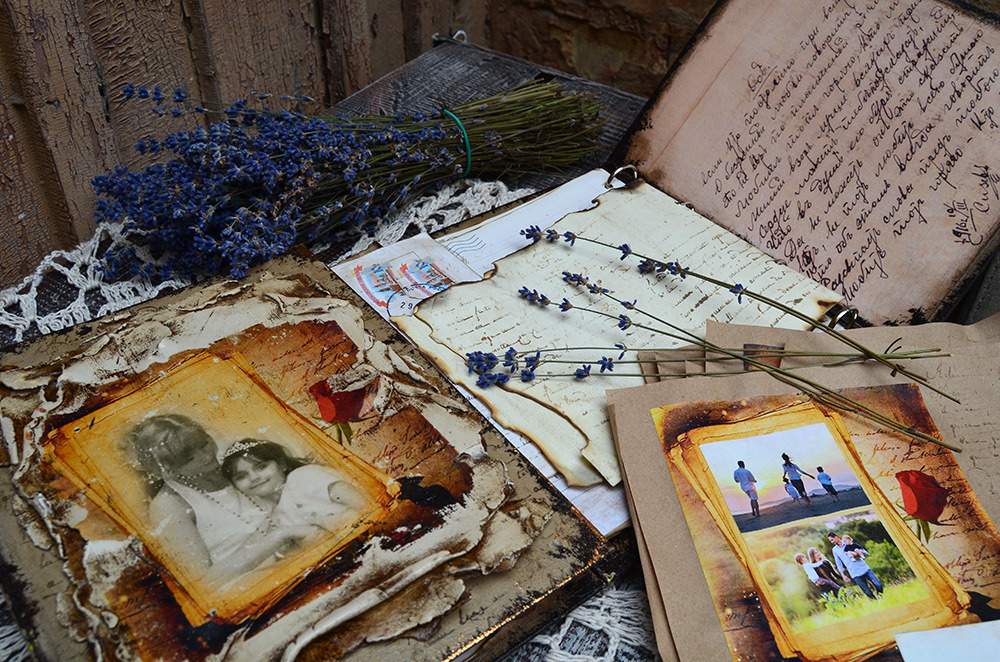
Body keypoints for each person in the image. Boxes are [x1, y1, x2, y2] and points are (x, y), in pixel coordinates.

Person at [127, 414, 313, 582]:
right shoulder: (169, 505)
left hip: (304, 550)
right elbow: (202, 584)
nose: (206, 457)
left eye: (204, 444)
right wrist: (279, 536)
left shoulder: (233, 462)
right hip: (258, 582)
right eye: (189, 458)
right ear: (168, 470)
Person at [220, 438, 369, 537]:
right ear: (236, 486)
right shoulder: (275, 515)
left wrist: (372, 514)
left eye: (261, 467)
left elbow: (344, 491)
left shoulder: (300, 478)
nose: (254, 478)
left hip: (367, 526)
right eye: (241, 476)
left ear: (282, 464)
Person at [828, 531, 884, 598]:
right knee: (867, 592)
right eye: (830, 541)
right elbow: (838, 563)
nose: (832, 542)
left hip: (864, 568)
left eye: (832, 540)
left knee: (878, 585)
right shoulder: (835, 550)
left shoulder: (847, 541)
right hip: (854, 572)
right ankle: (875, 602)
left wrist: (858, 554)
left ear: (836, 537)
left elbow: (865, 552)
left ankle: (880, 596)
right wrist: (843, 575)